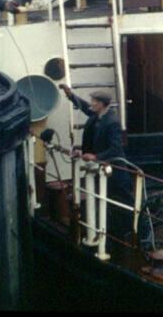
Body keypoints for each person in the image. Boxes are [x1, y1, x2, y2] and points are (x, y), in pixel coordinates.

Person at [59, 85, 136, 241]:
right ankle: (111, 230)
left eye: (94, 101)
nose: (91, 103)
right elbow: (86, 108)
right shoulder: (97, 115)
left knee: (122, 202)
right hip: (102, 169)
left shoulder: (112, 122)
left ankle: (130, 234)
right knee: (106, 199)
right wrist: (71, 95)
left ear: (102, 104)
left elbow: (115, 149)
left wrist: (95, 156)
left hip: (115, 171)